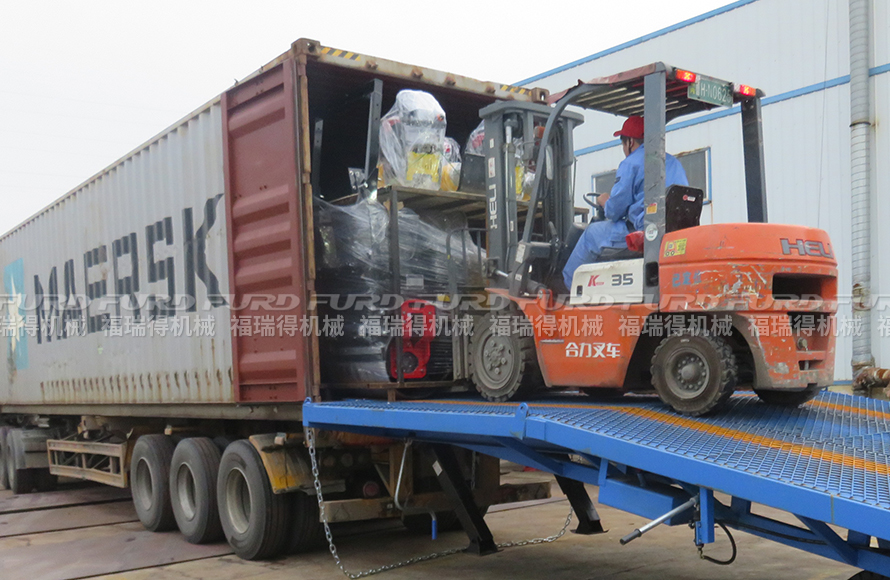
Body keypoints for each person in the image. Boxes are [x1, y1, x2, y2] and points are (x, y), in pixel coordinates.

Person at [562, 116, 689, 290]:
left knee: (591, 234)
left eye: (623, 143)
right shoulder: (673, 162)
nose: (623, 149)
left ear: (630, 142)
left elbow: (615, 211)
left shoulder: (631, 163)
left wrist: (605, 202)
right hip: (675, 232)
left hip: (646, 232)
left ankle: (567, 288)